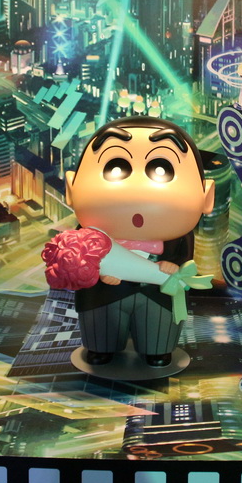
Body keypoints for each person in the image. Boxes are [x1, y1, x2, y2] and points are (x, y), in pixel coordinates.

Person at [62, 116, 215, 368]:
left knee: (158, 330)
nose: (138, 189)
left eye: (162, 169)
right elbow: (80, 262)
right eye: (115, 167)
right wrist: (98, 273)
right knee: (101, 331)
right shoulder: (86, 236)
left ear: (206, 196)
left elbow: (183, 257)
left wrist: (174, 264)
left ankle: (158, 350)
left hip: (159, 295)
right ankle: (101, 349)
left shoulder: (180, 237)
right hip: (103, 295)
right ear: (71, 189)